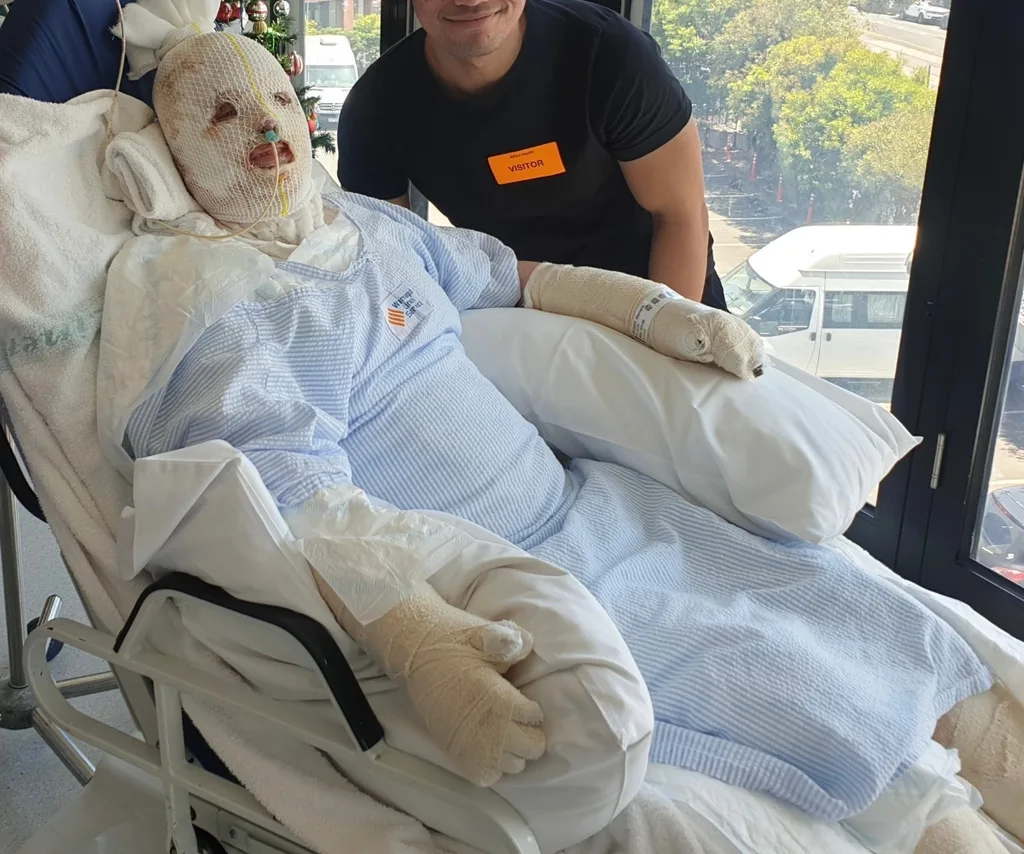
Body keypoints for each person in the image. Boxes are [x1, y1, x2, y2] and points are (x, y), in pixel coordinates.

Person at [104, 6, 1024, 852]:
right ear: (176, 158)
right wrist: (416, 634)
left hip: (581, 491)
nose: (266, 134)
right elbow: (290, 492)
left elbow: (511, 275)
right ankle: (927, 811)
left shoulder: (376, 227)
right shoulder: (225, 314)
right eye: (224, 120)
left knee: (804, 584)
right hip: (507, 567)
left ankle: (983, 732)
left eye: (272, 104)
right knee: (748, 673)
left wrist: (657, 314)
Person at [336, 0, 728, 309]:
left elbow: (680, 215)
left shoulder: (607, 53)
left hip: (661, 290)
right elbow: (398, 260)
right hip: (523, 306)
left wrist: (667, 333)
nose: (469, 1)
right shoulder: (375, 109)